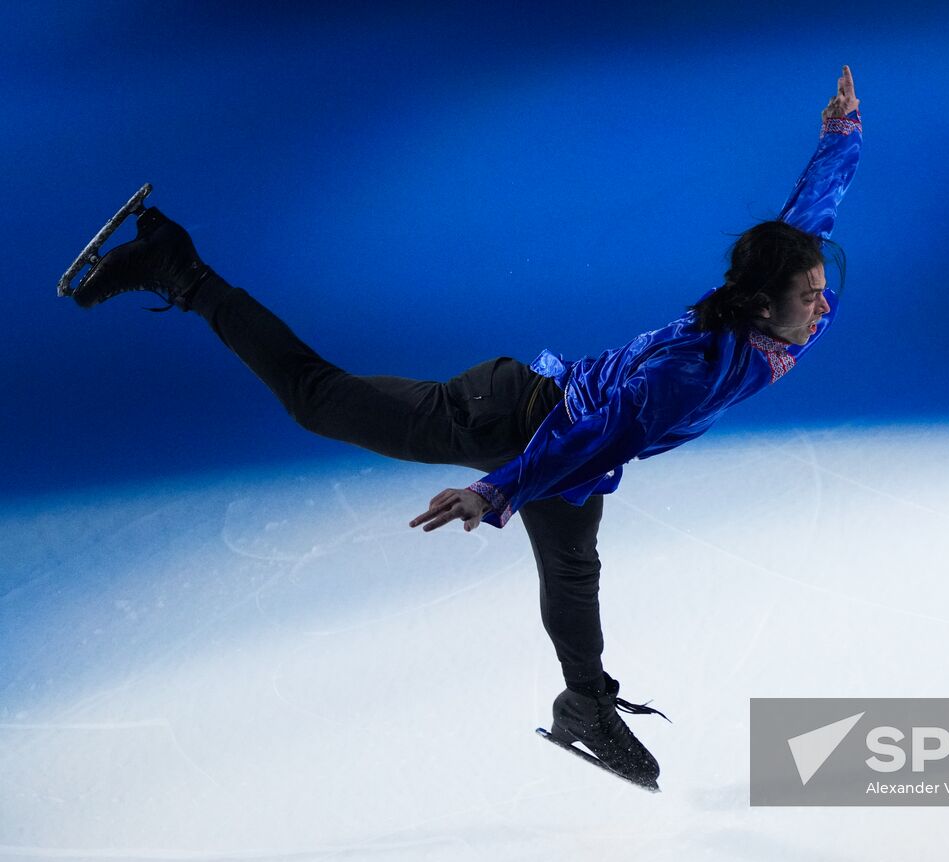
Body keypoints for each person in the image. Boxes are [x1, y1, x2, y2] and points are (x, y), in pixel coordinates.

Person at [67, 65, 862, 790]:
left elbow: (809, 216)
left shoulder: (787, 297)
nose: (824, 306)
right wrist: (496, 487)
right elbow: (602, 434)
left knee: (573, 570)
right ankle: (177, 266)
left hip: (565, 442)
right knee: (316, 397)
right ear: (760, 304)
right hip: (512, 416)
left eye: (822, 289)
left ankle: (584, 704)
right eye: (808, 296)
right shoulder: (689, 375)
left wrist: (841, 134)